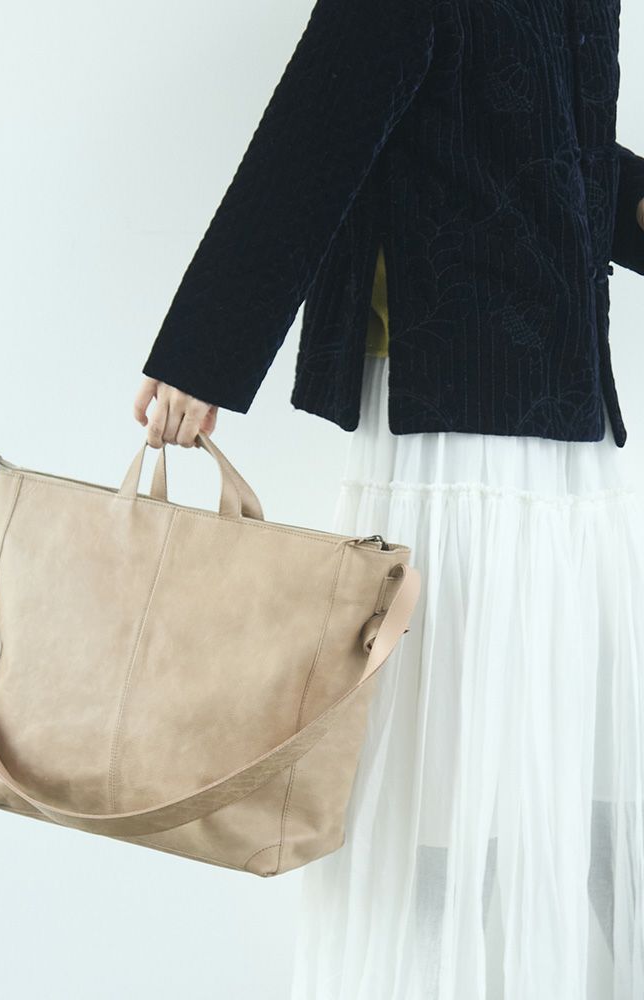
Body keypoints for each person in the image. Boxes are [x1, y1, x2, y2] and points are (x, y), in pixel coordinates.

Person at [133, 1, 644, 996]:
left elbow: (555, 142)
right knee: (450, 757)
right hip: (449, 399)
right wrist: (204, 351)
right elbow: (319, 124)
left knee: (550, 744)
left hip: (559, 402)